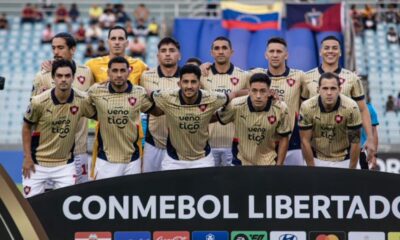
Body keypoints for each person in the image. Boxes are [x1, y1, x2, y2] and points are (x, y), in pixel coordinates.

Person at [22, 60, 96, 197]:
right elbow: (26, 127)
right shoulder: (38, 102)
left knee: (68, 209)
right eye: (59, 76)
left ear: (73, 77)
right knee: (29, 209)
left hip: (65, 165)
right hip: (37, 164)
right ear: (53, 78)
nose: (63, 80)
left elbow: (100, 115)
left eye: (67, 76)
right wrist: (27, 158)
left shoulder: (82, 100)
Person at [302, 35, 377, 168]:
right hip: (317, 150)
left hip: (346, 150)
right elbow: (300, 109)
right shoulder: (307, 77)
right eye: (327, 48)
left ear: (340, 52)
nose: (330, 51)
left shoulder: (352, 78)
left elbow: (363, 109)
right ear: (320, 51)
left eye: (335, 48)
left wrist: (370, 139)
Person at [150, 64, 243, 170]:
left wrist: (250, 94)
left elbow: (233, 95)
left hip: (202, 160)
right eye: (185, 82)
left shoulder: (212, 98)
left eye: (193, 82)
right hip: (173, 161)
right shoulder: (166, 97)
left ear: (199, 84)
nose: (189, 86)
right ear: (179, 83)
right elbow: (147, 94)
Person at [85, 26, 148, 178]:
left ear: (127, 43)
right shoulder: (92, 65)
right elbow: (81, 93)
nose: (117, 42)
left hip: (132, 133)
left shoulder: (139, 65)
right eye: (113, 38)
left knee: (133, 185)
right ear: (108, 42)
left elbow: (155, 84)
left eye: (121, 39)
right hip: (105, 133)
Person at [32, 33, 94, 184]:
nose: (56, 52)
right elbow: (33, 114)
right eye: (53, 48)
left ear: (73, 49)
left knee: (78, 199)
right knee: (47, 200)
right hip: (50, 153)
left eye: (60, 47)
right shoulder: (43, 75)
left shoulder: (87, 72)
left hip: (79, 150)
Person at [251, 37, 307, 166]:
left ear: (286, 55)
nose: (275, 55)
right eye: (271, 51)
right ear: (266, 55)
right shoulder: (255, 75)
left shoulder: (300, 76)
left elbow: (323, 84)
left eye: (279, 51)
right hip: (264, 141)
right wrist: (204, 67)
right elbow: (233, 83)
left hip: (292, 141)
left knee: (293, 182)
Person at [216, 73, 291, 166]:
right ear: (249, 91)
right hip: (241, 162)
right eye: (254, 91)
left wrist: (279, 165)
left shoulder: (280, 108)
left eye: (263, 91)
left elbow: (284, 137)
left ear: (269, 92)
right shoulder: (236, 105)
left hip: (269, 163)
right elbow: (214, 118)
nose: (258, 96)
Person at [200, 36, 250, 166]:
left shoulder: (244, 76)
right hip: (207, 143)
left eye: (224, 48)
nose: (220, 51)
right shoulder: (202, 75)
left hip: (234, 143)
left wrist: (236, 94)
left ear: (231, 52)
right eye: (217, 48)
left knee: (231, 185)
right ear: (211, 53)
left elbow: (255, 92)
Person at [299, 72, 362, 169]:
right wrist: (311, 169)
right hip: (317, 159)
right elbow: (305, 141)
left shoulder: (351, 107)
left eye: (333, 88)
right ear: (318, 90)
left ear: (340, 89)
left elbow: (355, 141)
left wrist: (351, 170)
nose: (329, 93)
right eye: (325, 88)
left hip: (344, 159)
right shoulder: (307, 107)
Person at [140, 37, 181, 172]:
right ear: (158, 56)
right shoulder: (146, 77)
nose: (168, 54)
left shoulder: (188, 78)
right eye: (163, 51)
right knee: (148, 186)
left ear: (179, 55)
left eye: (172, 50)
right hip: (153, 143)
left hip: (180, 144)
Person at [360, 95, 379, 170]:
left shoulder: (370, 109)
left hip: (363, 150)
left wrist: (374, 155)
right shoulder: (345, 107)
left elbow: (374, 132)